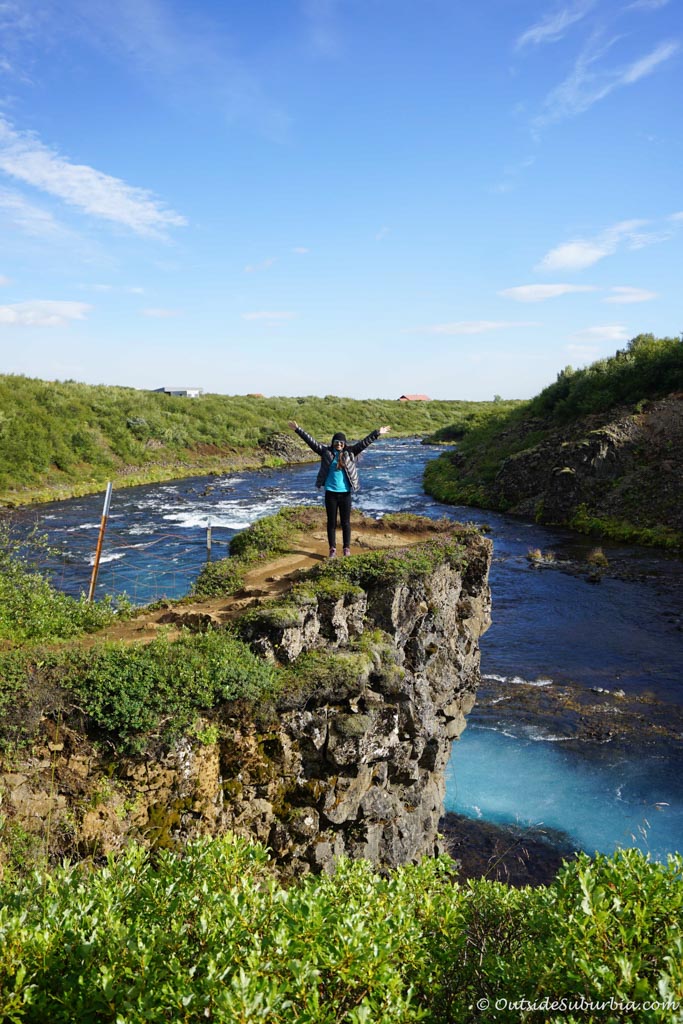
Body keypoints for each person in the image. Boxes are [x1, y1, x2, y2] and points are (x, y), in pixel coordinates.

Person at [287, 420, 391, 557]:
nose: (339, 445)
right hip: (330, 493)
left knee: (346, 523)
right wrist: (298, 429)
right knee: (331, 523)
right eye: (336, 442)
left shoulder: (350, 453)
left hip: (345, 493)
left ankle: (346, 549)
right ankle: (332, 549)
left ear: (345, 443)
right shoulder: (326, 452)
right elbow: (311, 442)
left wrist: (377, 432)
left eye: (341, 442)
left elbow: (365, 442)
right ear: (333, 442)